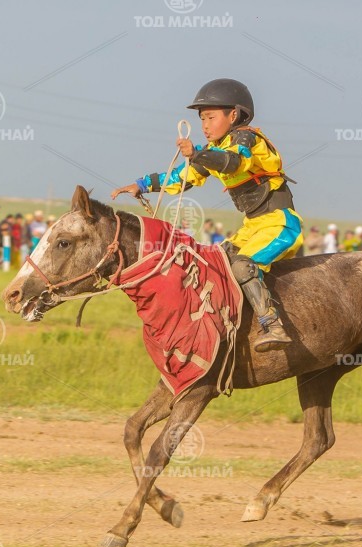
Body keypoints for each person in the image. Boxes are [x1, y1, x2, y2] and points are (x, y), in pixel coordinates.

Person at [111, 79, 301, 351]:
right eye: (202, 119)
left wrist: (198, 152)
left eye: (211, 117)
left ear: (233, 115)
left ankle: (272, 324)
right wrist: (141, 185)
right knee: (213, 264)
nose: (205, 125)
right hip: (253, 227)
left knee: (241, 265)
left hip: (281, 224)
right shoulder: (214, 152)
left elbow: (234, 162)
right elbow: (181, 178)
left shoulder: (247, 139)